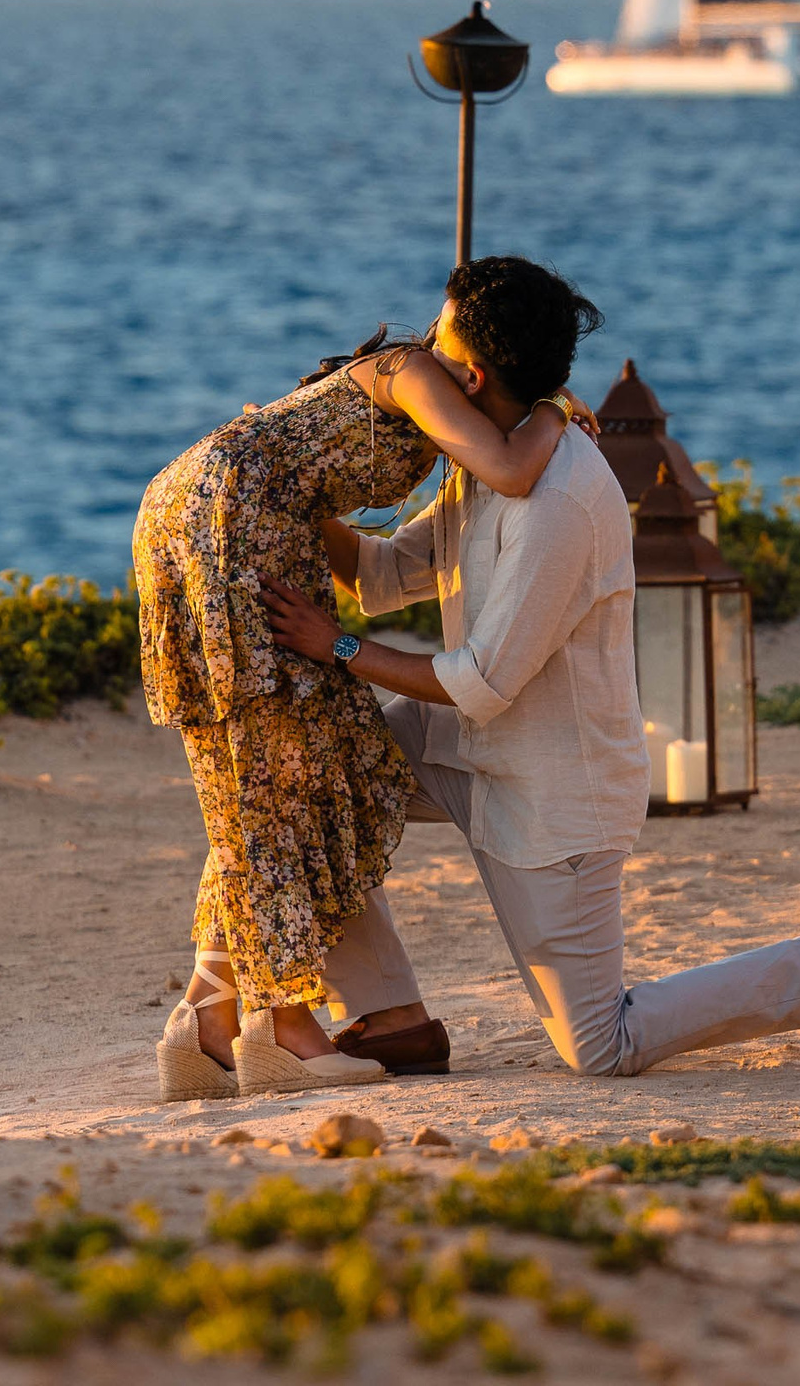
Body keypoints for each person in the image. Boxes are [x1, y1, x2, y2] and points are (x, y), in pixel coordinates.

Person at [261, 257, 800, 1078]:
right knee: (309, 780)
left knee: (599, 1046)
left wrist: (334, 648)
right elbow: (380, 575)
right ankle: (388, 1015)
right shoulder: (483, 461)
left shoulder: (565, 500)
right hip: (461, 745)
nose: (421, 353)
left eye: (435, 340)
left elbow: (485, 680)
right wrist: (287, 490)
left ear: (471, 378)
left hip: (554, 796)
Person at [134, 258, 595, 1100]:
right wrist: (557, 411)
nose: (430, 333)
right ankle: (283, 1027)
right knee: (286, 776)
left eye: (445, 321)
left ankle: (206, 1017)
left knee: (278, 776)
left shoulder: (435, 383)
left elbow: (385, 557)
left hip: (207, 504)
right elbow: (514, 468)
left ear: (480, 366)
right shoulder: (418, 372)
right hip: (235, 516)